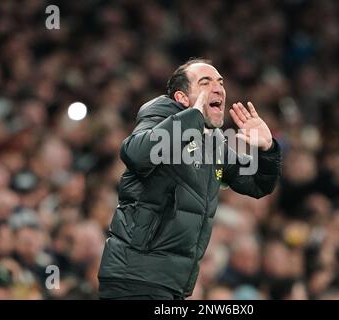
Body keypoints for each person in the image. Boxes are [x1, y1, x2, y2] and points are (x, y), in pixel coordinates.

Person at [97, 58, 281, 300]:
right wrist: (192, 116)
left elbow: (258, 184)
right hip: (135, 278)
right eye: (205, 82)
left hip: (172, 284)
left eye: (220, 82)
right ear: (182, 98)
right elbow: (136, 153)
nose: (218, 88)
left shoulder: (213, 143)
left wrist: (267, 149)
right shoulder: (158, 116)